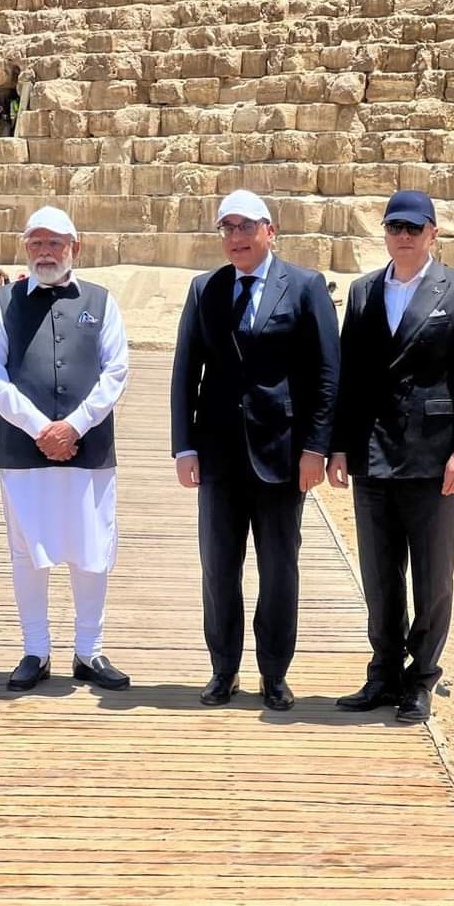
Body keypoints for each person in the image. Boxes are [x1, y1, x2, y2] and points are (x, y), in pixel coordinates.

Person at [327, 190, 454, 723]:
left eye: (413, 228)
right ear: (385, 232)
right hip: (372, 453)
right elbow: (350, 376)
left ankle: (420, 677)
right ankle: (383, 673)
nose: (403, 236)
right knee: (379, 573)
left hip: (433, 455)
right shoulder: (363, 291)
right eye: (395, 227)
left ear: (432, 234)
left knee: (431, 575)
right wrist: (338, 445)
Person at [170, 189, 340, 710]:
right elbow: (185, 371)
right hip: (218, 455)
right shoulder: (205, 289)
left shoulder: (306, 286)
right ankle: (223, 669)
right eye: (227, 228)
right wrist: (183, 447)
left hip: (282, 455)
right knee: (219, 569)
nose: (236, 237)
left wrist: (317, 447)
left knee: (279, 570)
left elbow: (327, 374)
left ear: (270, 231)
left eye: (245, 227)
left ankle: (274, 673)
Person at [0, 206, 130, 692]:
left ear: (74, 248)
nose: (45, 252)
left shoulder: (102, 302)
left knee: (92, 548)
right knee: (27, 551)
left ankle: (89, 650)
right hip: (23, 449)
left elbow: (116, 373)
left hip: (89, 446)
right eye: (37, 243)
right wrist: (42, 428)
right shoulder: (1, 304)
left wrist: (75, 426)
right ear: (26, 248)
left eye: (55, 243)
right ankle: (35, 650)